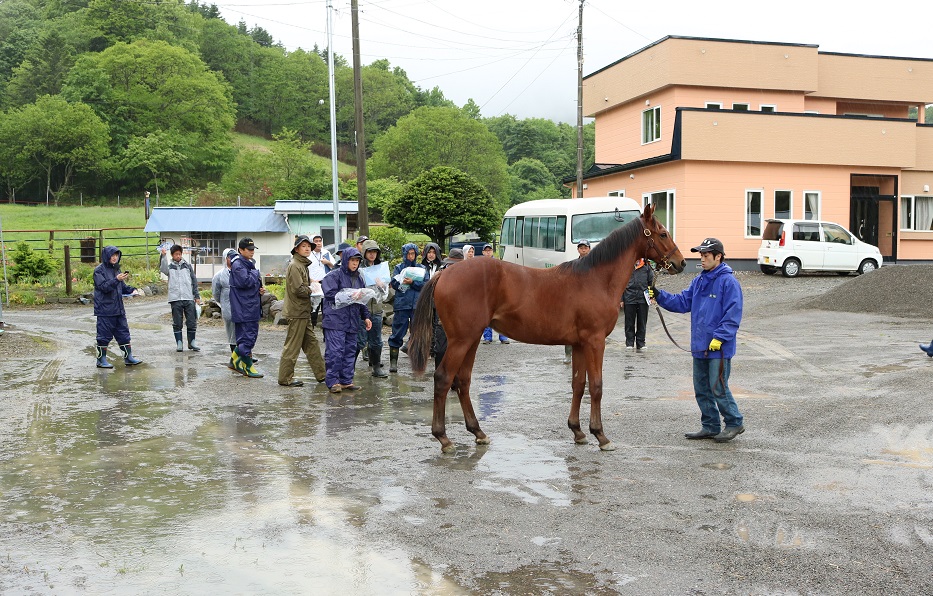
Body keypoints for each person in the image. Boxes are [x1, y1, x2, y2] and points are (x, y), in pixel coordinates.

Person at [650, 238, 745, 443]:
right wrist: (659, 295)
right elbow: (683, 302)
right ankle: (710, 425)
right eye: (700, 255)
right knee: (701, 388)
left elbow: (733, 314)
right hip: (700, 346)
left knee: (718, 387)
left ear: (718, 257)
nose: (701, 259)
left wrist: (720, 338)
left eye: (705, 255)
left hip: (718, 348)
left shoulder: (728, 282)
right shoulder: (699, 281)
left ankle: (734, 422)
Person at [278, 235, 327, 387]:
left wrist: (310, 286)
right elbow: (298, 289)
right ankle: (285, 378)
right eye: (304, 246)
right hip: (297, 312)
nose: (307, 248)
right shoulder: (295, 265)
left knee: (312, 344)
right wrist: (312, 289)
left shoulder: (302, 265)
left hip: (303, 311)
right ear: (297, 249)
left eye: (309, 246)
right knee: (292, 346)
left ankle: (323, 375)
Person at [321, 247, 372, 393]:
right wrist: (350, 295)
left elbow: (362, 299)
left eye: (357, 261)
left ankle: (346, 380)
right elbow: (329, 294)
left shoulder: (359, 278)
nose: (355, 263)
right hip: (335, 320)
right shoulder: (333, 275)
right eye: (352, 260)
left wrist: (366, 317)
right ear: (345, 260)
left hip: (352, 321)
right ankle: (333, 382)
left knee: (350, 351)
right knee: (335, 352)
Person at [92, 245, 142, 368]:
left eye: (116, 255)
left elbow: (122, 287)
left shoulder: (116, 270)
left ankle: (128, 358)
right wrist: (116, 279)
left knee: (123, 333)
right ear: (106, 256)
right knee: (103, 335)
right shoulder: (99, 270)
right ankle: (101, 360)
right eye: (112, 255)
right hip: (105, 310)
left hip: (118, 309)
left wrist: (133, 290)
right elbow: (104, 287)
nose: (114, 258)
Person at [388, 243, 429, 373]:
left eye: (413, 254)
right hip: (402, 304)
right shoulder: (398, 267)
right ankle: (393, 362)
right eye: (409, 254)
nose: (411, 256)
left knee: (417, 333)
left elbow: (426, 284)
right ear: (404, 254)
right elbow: (394, 284)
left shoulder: (422, 268)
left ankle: (416, 363)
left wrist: (413, 282)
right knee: (397, 333)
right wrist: (400, 281)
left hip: (417, 305)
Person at [229, 237, 266, 378]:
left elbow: (249, 284)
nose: (252, 252)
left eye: (252, 250)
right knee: (247, 338)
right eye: (249, 250)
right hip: (245, 309)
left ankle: (234, 362)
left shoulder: (247, 264)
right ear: (241, 250)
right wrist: (256, 274)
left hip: (249, 306)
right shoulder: (239, 265)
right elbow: (246, 281)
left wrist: (259, 289)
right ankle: (247, 367)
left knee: (246, 337)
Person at [160, 244, 202, 352]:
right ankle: (179, 343)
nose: (178, 256)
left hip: (188, 297)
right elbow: (163, 269)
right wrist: (163, 256)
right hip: (175, 298)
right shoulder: (170, 267)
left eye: (179, 254)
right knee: (177, 322)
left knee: (191, 321)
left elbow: (194, 281)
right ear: (172, 255)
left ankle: (192, 342)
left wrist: (196, 296)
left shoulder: (187, 266)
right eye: (175, 254)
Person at [358, 238, 388, 377]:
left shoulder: (381, 269)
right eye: (369, 252)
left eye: (375, 252)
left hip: (376, 309)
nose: (372, 255)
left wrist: (381, 285)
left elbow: (385, 294)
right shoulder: (359, 269)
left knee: (376, 341)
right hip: (362, 310)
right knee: (359, 340)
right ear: (364, 252)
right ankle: (348, 369)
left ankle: (376, 367)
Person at [431, 248, 465, 368]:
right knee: (440, 349)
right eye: (453, 264)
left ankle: (455, 379)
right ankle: (439, 373)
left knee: (458, 349)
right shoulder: (440, 274)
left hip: (460, 318)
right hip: (442, 317)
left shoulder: (466, 275)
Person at [564, 240, 592, 363]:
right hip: (574, 301)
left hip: (590, 301)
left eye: (585, 247)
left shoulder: (595, 265)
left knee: (590, 330)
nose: (583, 249)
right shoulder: (573, 265)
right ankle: (568, 354)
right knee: (570, 328)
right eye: (581, 248)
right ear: (578, 250)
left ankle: (588, 354)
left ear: (589, 249)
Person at [211, 248, 239, 369]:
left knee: (241, 332)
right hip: (228, 307)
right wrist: (222, 303)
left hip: (240, 306)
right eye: (229, 257)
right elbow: (216, 293)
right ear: (225, 259)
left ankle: (244, 355)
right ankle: (234, 359)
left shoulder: (239, 272)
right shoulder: (219, 276)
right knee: (232, 333)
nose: (232, 260)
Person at [622, 257, 654, 352]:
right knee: (629, 322)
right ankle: (629, 343)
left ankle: (641, 343)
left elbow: (651, 283)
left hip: (643, 298)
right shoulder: (626, 266)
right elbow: (621, 284)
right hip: (629, 297)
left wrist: (651, 297)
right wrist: (621, 299)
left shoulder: (646, 266)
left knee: (642, 322)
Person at [480, 243, 509, 345]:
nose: (488, 252)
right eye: (486, 250)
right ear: (483, 252)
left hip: (497, 293)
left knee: (501, 315)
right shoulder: (480, 264)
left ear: (492, 251)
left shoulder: (498, 263)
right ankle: (487, 337)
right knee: (486, 315)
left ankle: (503, 337)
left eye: (490, 250)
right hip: (486, 293)